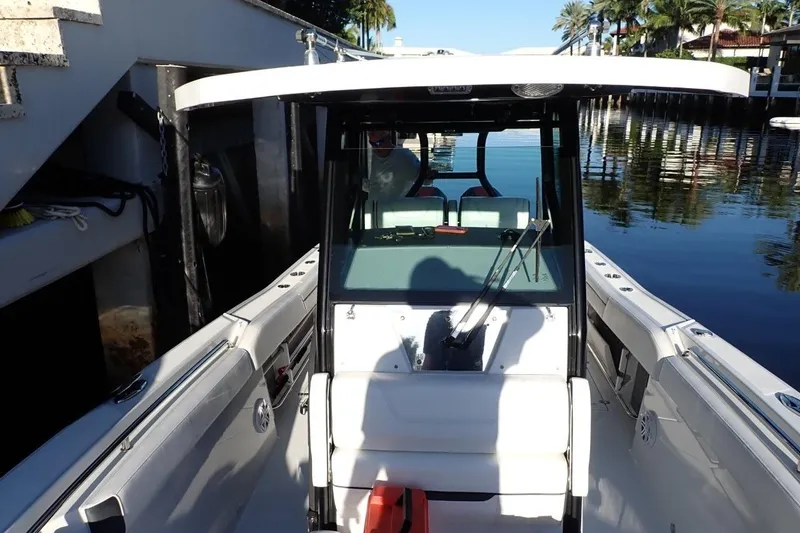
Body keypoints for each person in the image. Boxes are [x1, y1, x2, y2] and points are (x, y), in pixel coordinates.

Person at [366, 130, 435, 201]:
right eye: (372, 143)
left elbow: (425, 180)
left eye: (379, 143)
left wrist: (429, 175)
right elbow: (372, 186)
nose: (375, 147)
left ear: (388, 139)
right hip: (372, 209)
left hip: (397, 209)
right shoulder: (369, 158)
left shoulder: (404, 157)